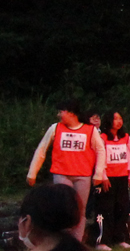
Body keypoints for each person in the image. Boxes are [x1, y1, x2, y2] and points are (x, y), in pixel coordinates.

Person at [25, 102, 106, 238]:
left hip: (83, 175)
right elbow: (41, 150)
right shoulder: (55, 128)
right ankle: (62, 241)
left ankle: (76, 243)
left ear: (71, 113)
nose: (58, 115)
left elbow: (100, 150)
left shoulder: (89, 130)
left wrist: (98, 173)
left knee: (80, 210)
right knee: (63, 207)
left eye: (61, 111)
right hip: (61, 173)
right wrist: (32, 173)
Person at [94, 112, 130, 251]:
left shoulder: (126, 137)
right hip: (108, 178)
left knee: (122, 207)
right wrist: (103, 176)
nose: (118, 121)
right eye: (115, 119)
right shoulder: (102, 137)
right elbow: (99, 157)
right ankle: (103, 241)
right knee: (107, 208)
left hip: (123, 176)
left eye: (120, 119)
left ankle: (120, 238)